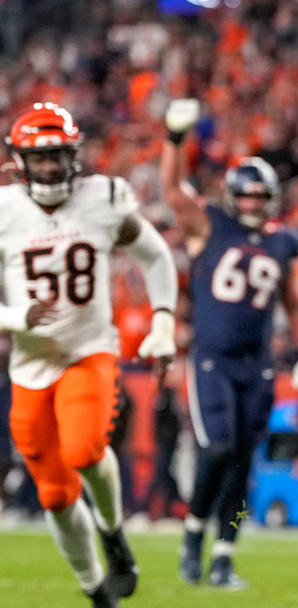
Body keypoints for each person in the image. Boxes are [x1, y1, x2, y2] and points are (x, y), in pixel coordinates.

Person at [0, 102, 178, 607]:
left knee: (83, 450)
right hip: (30, 367)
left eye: (57, 155)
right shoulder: (5, 211)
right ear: (20, 161)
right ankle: (94, 586)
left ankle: (113, 531)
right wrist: (16, 318)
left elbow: (154, 255)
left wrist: (164, 320)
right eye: (40, 158)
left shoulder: (102, 198)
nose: (50, 167)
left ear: (73, 156)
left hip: (88, 351)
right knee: (54, 496)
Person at [160, 98, 298, 589]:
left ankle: (225, 554)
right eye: (245, 197)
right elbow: (172, 189)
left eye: (259, 197)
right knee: (216, 450)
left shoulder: (281, 242)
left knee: (244, 461)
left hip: (259, 366)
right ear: (232, 197)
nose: (251, 204)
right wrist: (175, 139)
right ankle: (193, 534)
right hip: (212, 359)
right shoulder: (210, 225)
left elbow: (295, 302)